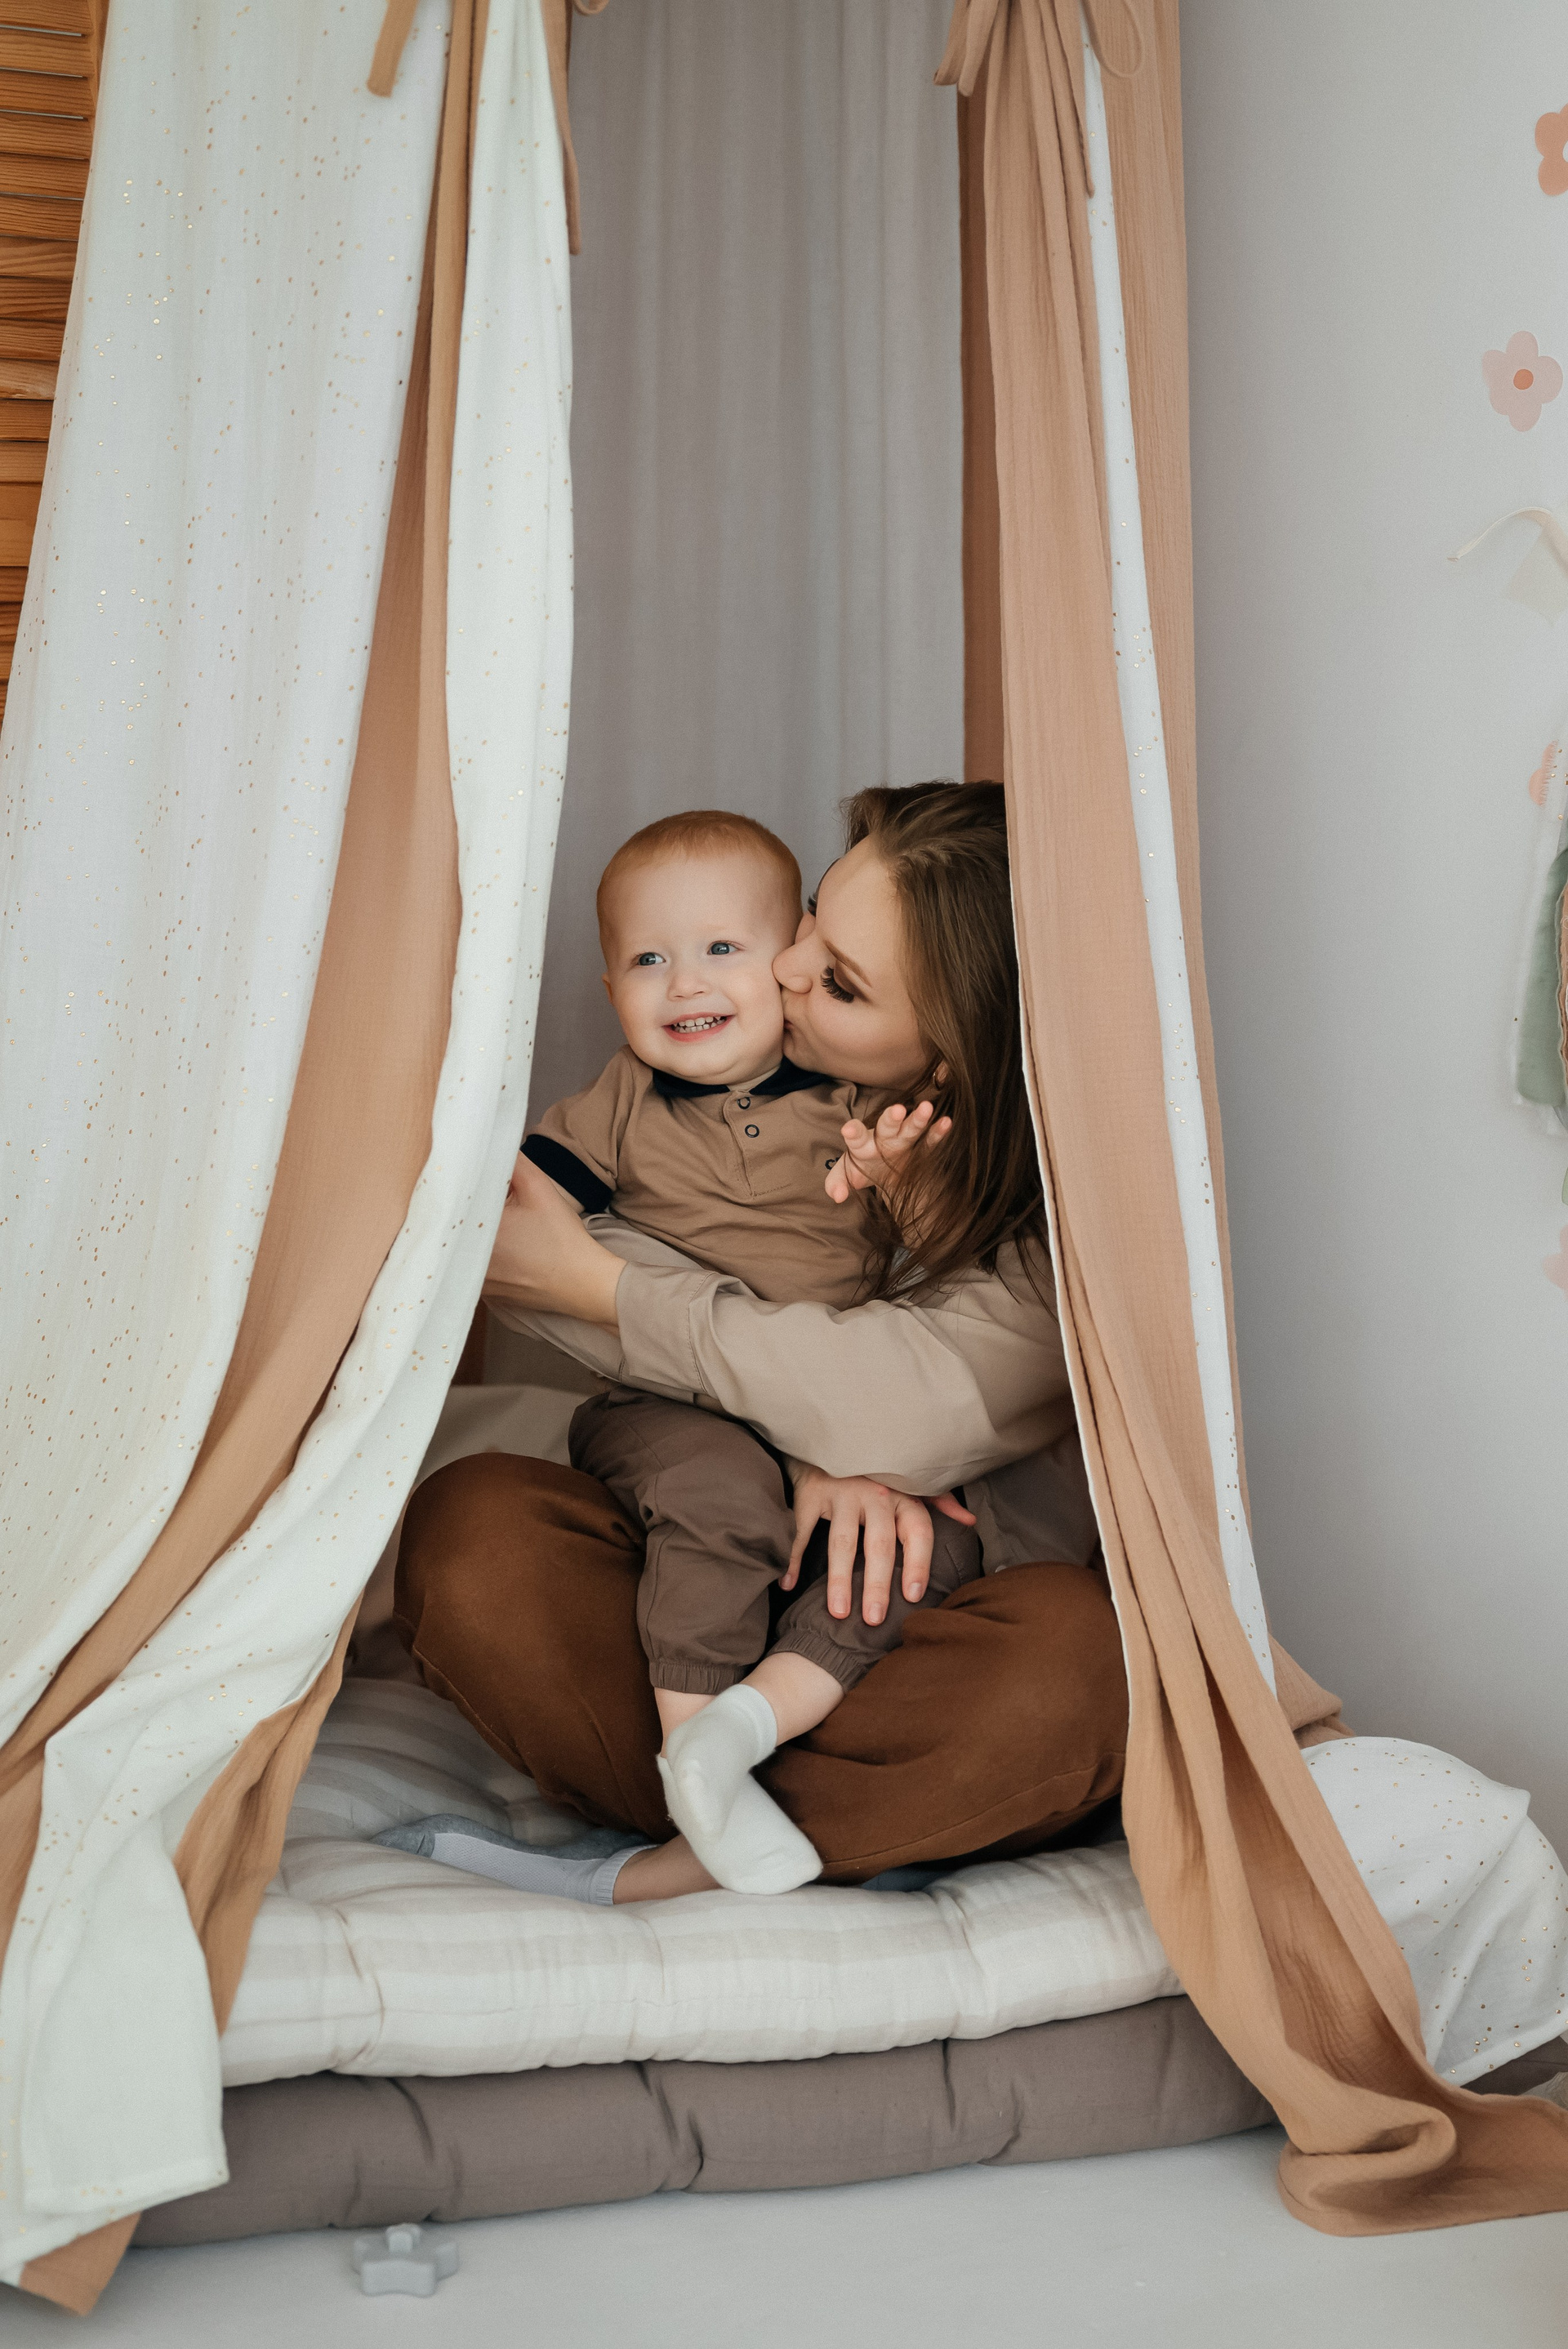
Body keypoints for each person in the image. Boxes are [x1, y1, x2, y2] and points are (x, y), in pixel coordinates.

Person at [389, 782, 1127, 1906]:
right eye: (815, 916)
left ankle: (709, 1829)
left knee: (1079, 1662)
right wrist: (804, 1434)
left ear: (948, 1057)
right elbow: (515, 1252)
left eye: (839, 981)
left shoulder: (1047, 1207)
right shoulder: (657, 1105)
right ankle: (752, 1801)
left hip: (896, 1628)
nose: (784, 966)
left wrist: (606, 1289)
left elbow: (896, 1409)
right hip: (693, 1565)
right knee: (477, 1531)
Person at [519, 805, 982, 1893]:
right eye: (648, 961)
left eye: (722, 948)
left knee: (934, 1542)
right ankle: (695, 1773)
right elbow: (515, 1218)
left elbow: (946, 1271)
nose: (685, 983)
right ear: (609, 988)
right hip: (672, 1406)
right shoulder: (622, 1101)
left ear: (785, 965)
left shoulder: (869, 1102)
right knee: (718, 1494)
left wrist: (905, 1189)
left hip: (839, 1413)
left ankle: (747, 1728)